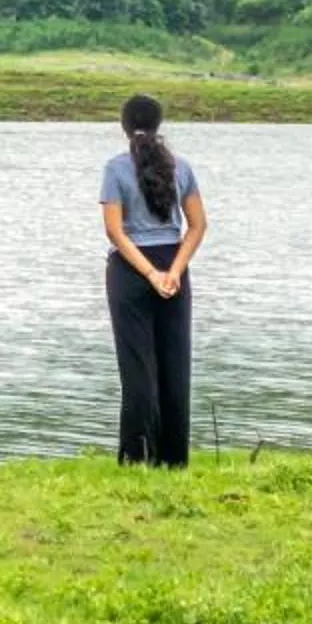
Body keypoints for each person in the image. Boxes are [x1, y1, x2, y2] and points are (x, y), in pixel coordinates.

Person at [100, 92, 206, 467]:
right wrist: (173, 271)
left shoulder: (115, 169)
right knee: (175, 364)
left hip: (132, 272)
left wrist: (149, 273)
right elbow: (197, 225)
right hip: (173, 268)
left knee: (137, 366)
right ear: (159, 124)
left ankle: (138, 456)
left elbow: (115, 232)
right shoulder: (183, 167)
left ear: (124, 126)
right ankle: (174, 459)